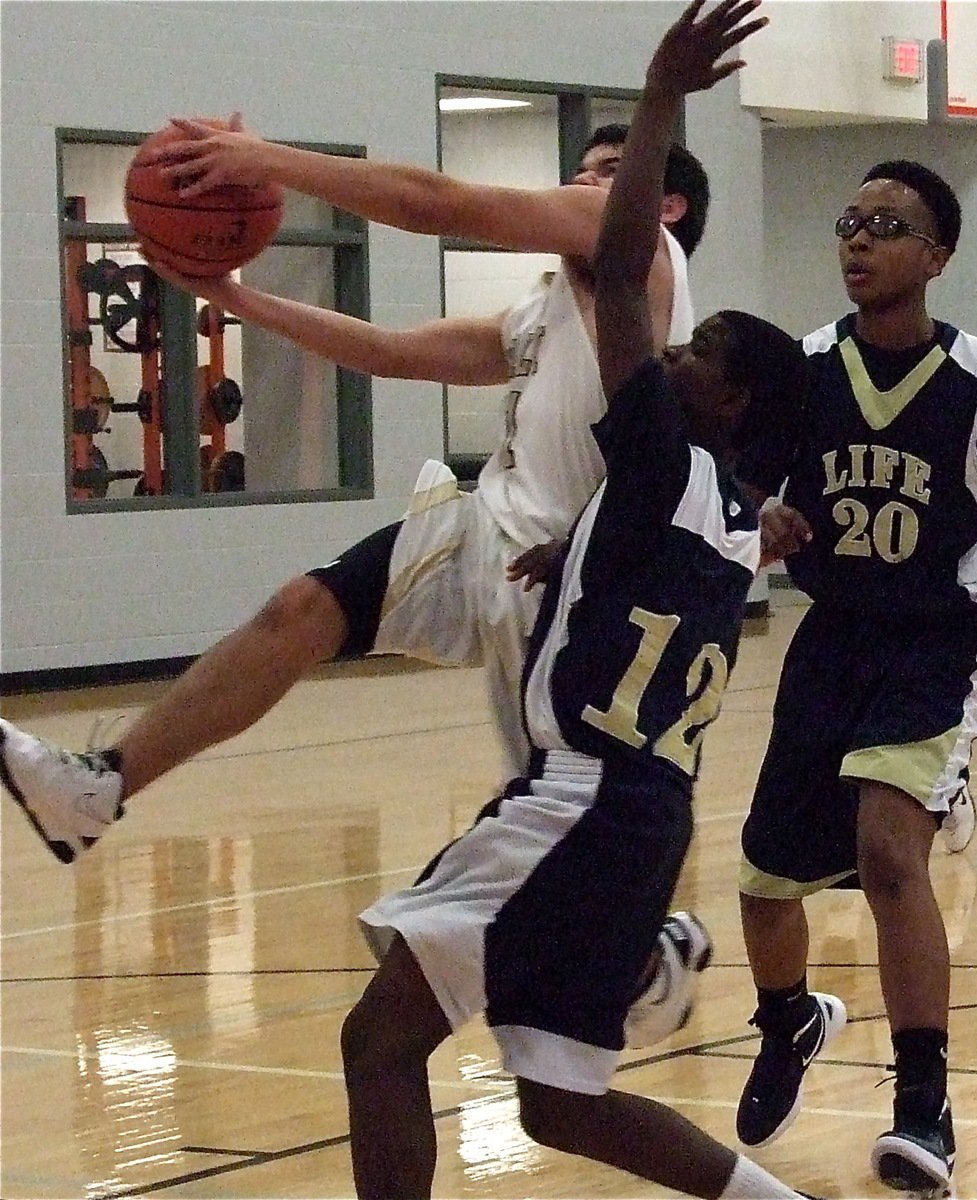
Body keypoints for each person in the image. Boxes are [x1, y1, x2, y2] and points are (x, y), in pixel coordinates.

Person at [1, 72, 714, 1056]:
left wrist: (266, 162)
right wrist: (234, 296)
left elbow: (441, 204)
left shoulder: (645, 259)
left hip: (560, 590)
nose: (579, 191)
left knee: (554, 830)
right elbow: (390, 352)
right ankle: (99, 784)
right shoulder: (553, 309)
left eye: (601, 179)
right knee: (300, 610)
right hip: (483, 534)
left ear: (661, 206)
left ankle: (644, 956)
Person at [338, 3, 815, 1197]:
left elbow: (612, 266)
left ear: (727, 403)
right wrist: (574, 565)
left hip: (578, 799)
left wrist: (657, 98)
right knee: (558, 1104)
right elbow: (648, 570)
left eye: (698, 354)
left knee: (377, 1039)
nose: (672, 353)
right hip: (645, 818)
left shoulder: (659, 462)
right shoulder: (719, 522)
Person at [731, 161, 977, 1196]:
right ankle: (790, 1019)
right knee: (762, 880)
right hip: (832, 633)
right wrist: (765, 515)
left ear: (934, 257)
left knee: (886, 850)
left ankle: (922, 1105)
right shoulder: (802, 367)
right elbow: (748, 479)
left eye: (884, 226)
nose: (857, 241)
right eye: (848, 221)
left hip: (941, 635)